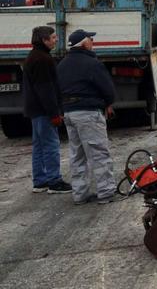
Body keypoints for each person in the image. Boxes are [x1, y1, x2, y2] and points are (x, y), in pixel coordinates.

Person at [57, 29, 116, 205]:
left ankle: (80, 194)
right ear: (83, 43)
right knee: (98, 153)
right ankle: (105, 192)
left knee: (77, 155)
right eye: (90, 39)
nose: (93, 41)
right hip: (88, 113)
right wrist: (108, 102)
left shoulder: (61, 65)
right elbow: (107, 89)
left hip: (69, 113)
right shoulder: (92, 64)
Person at [22, 26, 72, 194]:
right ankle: (54, 181)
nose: (55, 40)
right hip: (44, 110)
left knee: (39, 145)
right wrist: (54, 113)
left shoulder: (33, 56)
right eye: (53, 37)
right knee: (51, 144)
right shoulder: (43, 59)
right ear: (44, 40)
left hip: (35, 109)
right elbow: (46, 89)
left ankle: (40, 181)